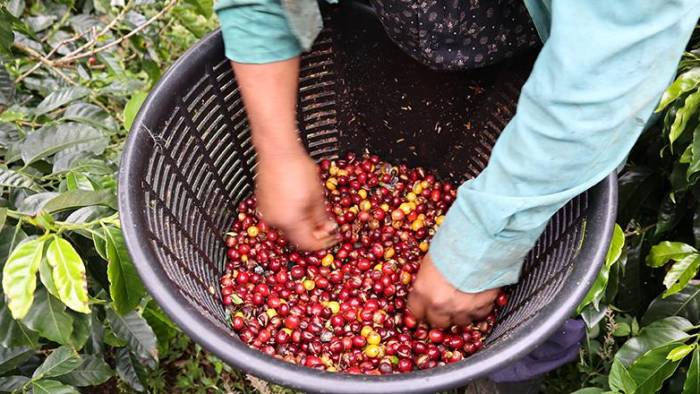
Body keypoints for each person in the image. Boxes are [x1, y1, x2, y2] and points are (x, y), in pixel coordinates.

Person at [212, 0, 700, 381]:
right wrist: (277, 148)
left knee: (527, 285)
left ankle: (518, 369)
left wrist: (479, 248)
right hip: (391, 28)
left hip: (551, 82)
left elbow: (612, 62)